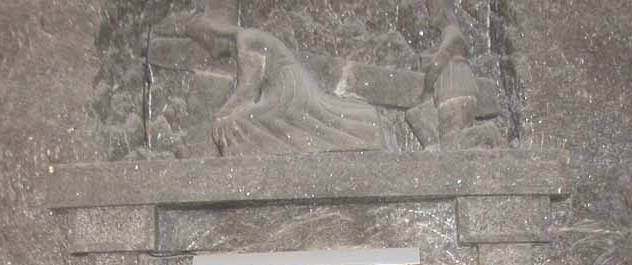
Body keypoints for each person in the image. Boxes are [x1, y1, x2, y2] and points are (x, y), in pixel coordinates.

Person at [185, 13, 385, 156]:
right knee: (240, 120)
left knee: (238, 122)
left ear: (209, 35)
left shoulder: (246, 39)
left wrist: (221, 115)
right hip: (286, 88)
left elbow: (247, 91)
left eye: (204, 44)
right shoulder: (247, 37)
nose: (209, 52)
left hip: (287, 92)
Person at [413, 0, 503, 150]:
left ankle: (489, 133)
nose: (430, 18)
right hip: (458, 86)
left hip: (453, 88)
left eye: (431, 10)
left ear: (441, 11)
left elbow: (438, 63)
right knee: (452, 141)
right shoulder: (451, 35)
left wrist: (426, 92)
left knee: (450, 142)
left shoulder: (452, 32)